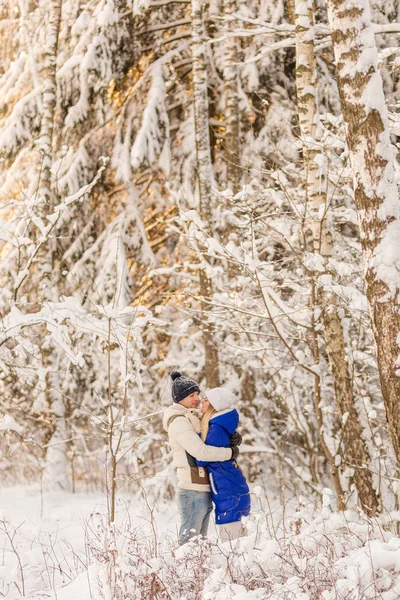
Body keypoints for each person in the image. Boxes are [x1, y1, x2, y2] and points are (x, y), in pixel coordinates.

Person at [163, 371, 240, 545]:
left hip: (204, 486)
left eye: (197, 394)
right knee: (189, 543)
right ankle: (181, 571)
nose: (197, 398)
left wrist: (233, 438)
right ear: (180, 398)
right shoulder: (178, 422)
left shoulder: (194, 416)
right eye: (191, 395)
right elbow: (201, 452)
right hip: (192, 488)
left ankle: (196, 572)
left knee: (200, 545)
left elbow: (215, 429)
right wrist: (230, 453)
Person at [196, 387, 251, 543]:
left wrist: (194, 438)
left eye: (206, 399)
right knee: (240, 546)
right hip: (231, 489)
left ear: (214, 405)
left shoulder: (215, 430)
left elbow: (201, 458)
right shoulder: (217, 427)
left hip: (228, 492)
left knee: (232, 548)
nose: (202, 401)